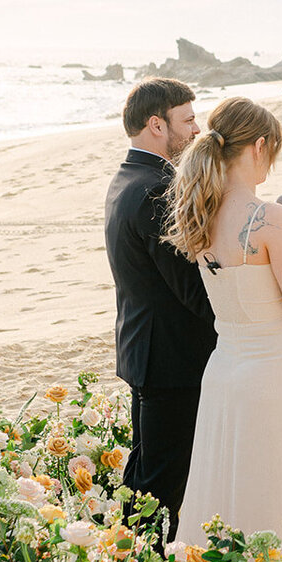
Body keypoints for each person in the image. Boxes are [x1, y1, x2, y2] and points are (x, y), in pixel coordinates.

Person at [165, 98, 282, 538]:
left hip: (225, 366)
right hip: (272, 369)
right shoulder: (269, 217)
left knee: (226, 478)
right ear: (260, 146)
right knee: (276, 479)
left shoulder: (199, 212)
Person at [104, 79, 217, 534]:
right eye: (188, 120)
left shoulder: (126, 177)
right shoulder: (158, 190)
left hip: (146, 350)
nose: (196, 130)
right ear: (157, 125)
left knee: (146, 469)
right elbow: (190, 287)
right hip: (172, 360)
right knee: (161, 482)